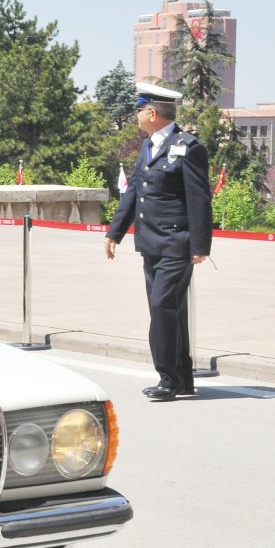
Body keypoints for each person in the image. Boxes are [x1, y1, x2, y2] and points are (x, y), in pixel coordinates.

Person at [104, 82, 213, 401]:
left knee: (161, 305)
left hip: (177, 243)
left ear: (153, 113)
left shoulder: (189, 147)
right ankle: (182, 378)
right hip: (150, 243)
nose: (136, 115)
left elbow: (199, 198)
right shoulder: (148, 146)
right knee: (171, 310)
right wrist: (114, 232)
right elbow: (134, 191)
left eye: (139, 110)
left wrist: (200, 246)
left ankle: (166, 378)